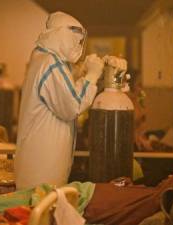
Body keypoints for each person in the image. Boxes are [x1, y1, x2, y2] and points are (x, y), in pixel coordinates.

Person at [15, 12, 106, 189]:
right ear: (61, 35)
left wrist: (80, 75)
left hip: (37, 159)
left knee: (38, 209)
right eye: (75, 39)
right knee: (43, 209)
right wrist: (92, 76)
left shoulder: (42, 57)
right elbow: (72, 106)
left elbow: (61, 93)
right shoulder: (51, 63)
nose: (77, 45)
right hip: (43, 163)